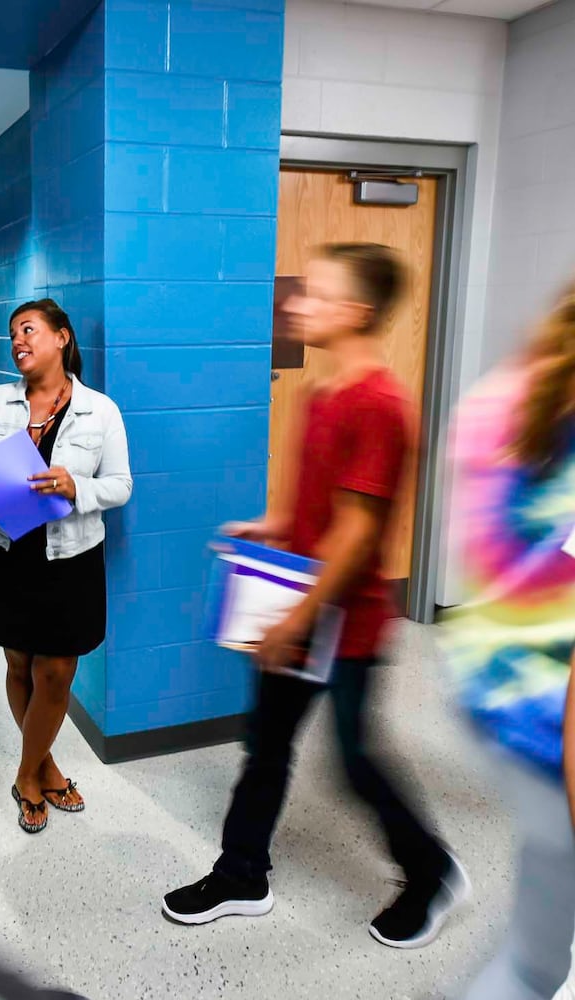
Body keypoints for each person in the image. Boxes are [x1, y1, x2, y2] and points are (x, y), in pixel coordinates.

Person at [162, 243, 467, 949]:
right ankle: (241, 873)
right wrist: (266, 527)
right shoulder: (321, 393)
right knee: (265, 746)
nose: (295, 302)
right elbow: (320, 510)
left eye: (315, 292)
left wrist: (291, 622)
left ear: (355, 311)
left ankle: (430, 872)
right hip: (299, 607)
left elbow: (357, 536)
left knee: (354, 760)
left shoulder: (380, 405)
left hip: (344, 621)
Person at [0, 299, 131, 833]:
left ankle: (25, 770)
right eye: (13, 333)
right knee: (18, 665)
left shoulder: (99, 410)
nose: (18, 340)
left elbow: (122, 486)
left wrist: (75, 485)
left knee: (55, 672)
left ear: (62, 337)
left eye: (29, 330)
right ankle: (45, 767)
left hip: (70, 556)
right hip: (7, 551)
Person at [441, 280, 575, 999]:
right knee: (535, 963)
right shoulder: (521, 404)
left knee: (537, 950)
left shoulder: (513, 395)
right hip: (537, 710)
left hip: (504, 689)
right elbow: (512, 569)